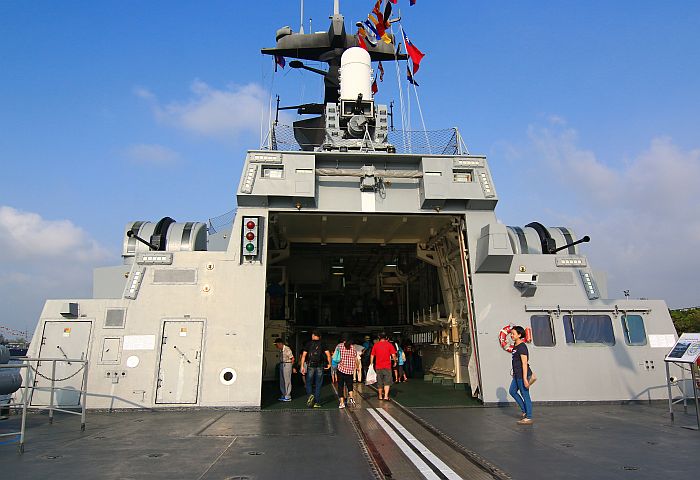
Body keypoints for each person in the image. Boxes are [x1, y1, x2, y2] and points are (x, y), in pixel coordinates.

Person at [299, 331, 331, 408]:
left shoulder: (308, 343)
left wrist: (302, 366)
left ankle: (310, 395)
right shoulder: (323, 343)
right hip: (320, 365)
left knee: (308, 382)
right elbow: (328, 355)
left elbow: (303, 356)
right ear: (319, 336)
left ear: (313, 335)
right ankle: (317, 402)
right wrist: (329, 364)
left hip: (310, 365)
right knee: (318, 384)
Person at [509, 326, 533, 425]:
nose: (511, 335)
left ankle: (529, 417)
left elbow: (524, 363)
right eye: (511, 333)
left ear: (519, 335)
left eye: (513, 334)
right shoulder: (516, 345)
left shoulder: (522, 347)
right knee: (512, 391)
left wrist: (525, 379)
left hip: (522, 375)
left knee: (525, 395)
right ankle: (524, 410)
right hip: (517, 374)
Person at [370, 333, 397, 401]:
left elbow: (372, 355)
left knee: (379, 381)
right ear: (386, 337)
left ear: (379, 337)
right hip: (387, 366)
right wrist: (395, 361)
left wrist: (371, 363)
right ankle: (386, 396)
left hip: (378, 366)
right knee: (387, 381)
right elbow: (393, 355)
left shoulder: (376, 345)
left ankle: (380, 396)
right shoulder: (389, 345)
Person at [334, 336, 358, 408]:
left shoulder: (339, 346)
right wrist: (357, 366)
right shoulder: (353, 347)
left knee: (340, 386)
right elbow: (355, 358)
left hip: (341, 369)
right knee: (349, 385)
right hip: (350, 370)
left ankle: (342, 403)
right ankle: (351, 397)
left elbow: (334, 356)